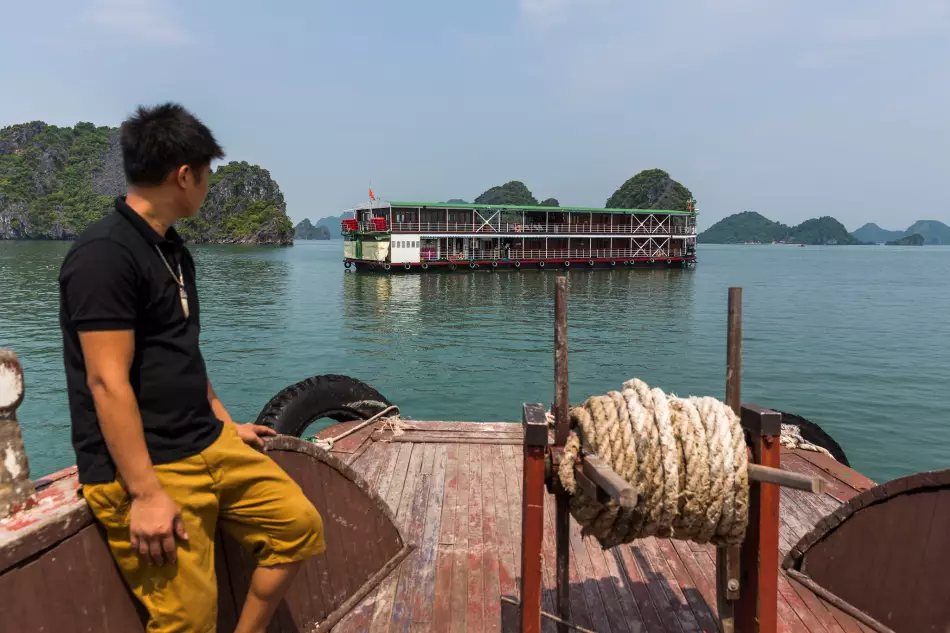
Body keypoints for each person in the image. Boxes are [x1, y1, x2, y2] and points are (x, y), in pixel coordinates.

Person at [59, 103, 325, 633]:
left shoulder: (173, 251)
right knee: (189, 621)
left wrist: (223, 421)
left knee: (298, 526)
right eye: (207, 173)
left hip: (206, 441)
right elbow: (106, 382)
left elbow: (181, 354)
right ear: (185, 175)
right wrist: (146, 494)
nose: (209, 185)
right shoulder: (104, 255)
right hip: (150, 466)